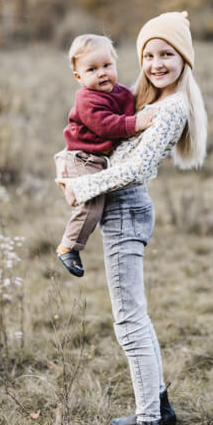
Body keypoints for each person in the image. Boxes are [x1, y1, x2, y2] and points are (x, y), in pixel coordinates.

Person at [61, 12, 207, 425]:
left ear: (183, 58)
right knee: (134, 317)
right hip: (119, 208)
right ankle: (159, 406)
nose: (156, 64)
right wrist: (65, 166)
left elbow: (137, 169)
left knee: (129, 322)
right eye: (148, 54)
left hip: (124, 210)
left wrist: (78, 188)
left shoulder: (172, 107)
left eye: (166, 54)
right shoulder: (146, 99)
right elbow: (98, 139)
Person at [54, 34, 155, 277]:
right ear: (79, 77)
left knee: (99, 200)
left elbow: (134, 105)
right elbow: (106, 125)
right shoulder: (86, 99)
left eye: (107, 66)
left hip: (98, 159)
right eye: (92, 69)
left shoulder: (121, 92)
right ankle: (69, 246)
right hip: (81, 158)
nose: (102, 73)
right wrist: (136, 123)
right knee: (93, 204)